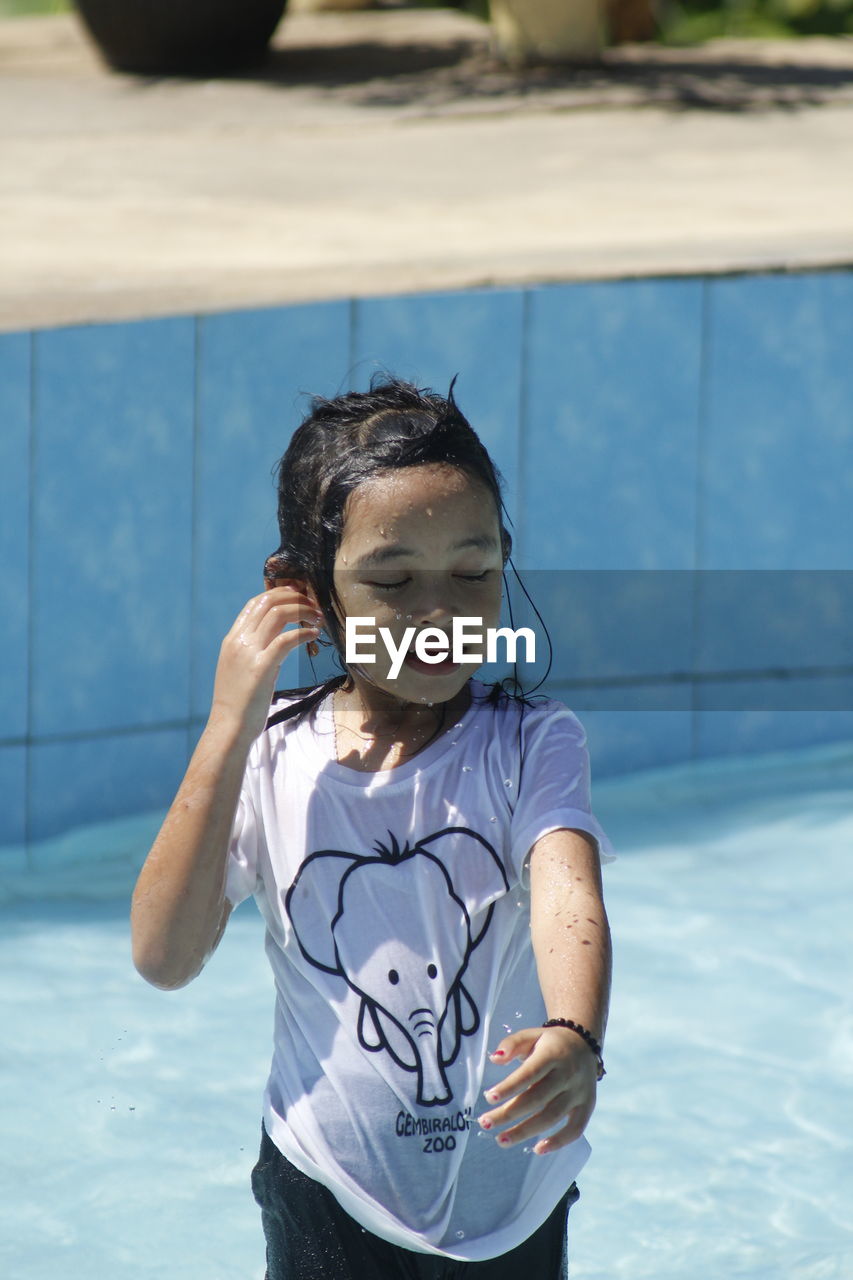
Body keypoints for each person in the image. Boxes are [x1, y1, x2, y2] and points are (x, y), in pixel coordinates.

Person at [131, 376, 613, 1279]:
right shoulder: (272, 759)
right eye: (392, 580)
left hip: (507, 1200)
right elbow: (164, 956)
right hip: (326, 1190)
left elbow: (566, 895)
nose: (440, 614)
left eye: (472, 574)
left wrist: (574, 1034)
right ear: (305, 592)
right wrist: (229, 721)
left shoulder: (530, 743)